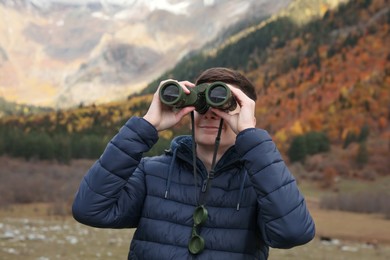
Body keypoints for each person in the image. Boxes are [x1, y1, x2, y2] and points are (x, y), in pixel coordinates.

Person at [72, 67, 315, 259]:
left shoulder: (260, 184)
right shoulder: (152, 172)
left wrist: (250, 136)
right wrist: (146, 125)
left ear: (246, 115)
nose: (211, 113)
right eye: (202, 104)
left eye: (224, 104)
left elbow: (293, 233)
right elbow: (90, 209)